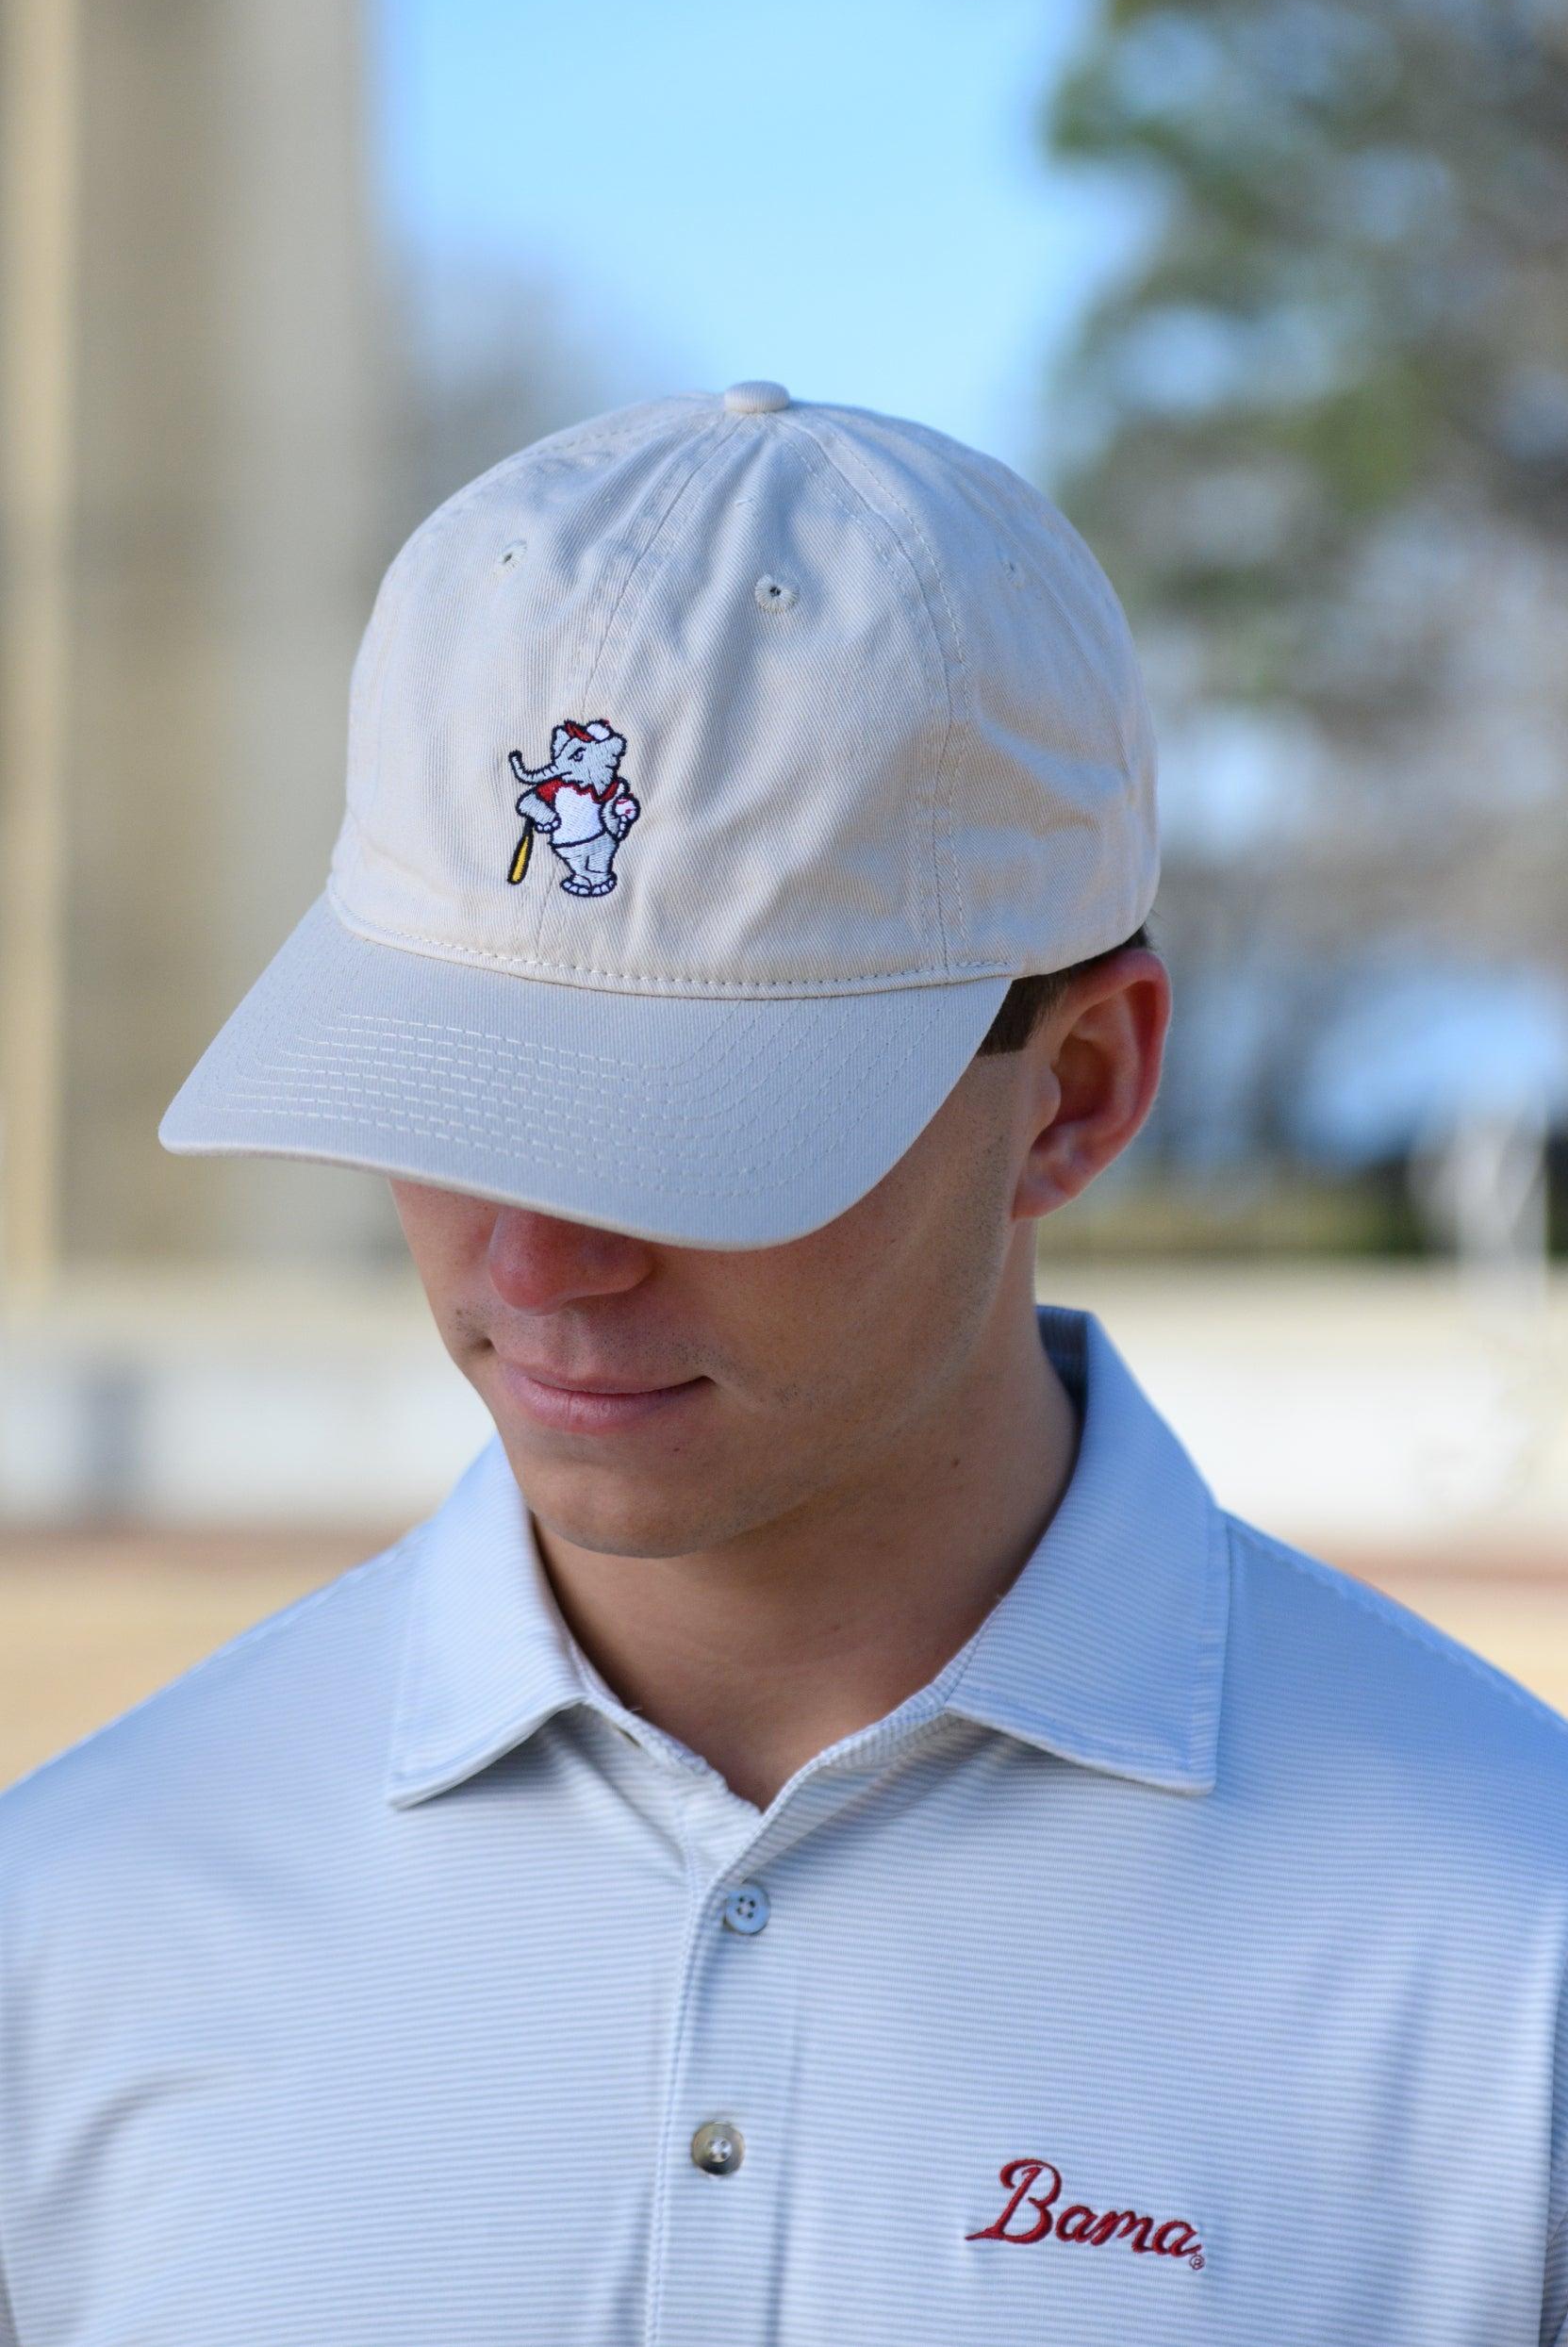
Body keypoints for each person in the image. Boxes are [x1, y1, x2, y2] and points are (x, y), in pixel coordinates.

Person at [0, 380, 1564, 2347]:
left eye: (696, 1135)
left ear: (1081, 1087)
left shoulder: (1514, 1959)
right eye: (444, 1092)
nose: (535, 1262)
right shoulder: (73, 1921)